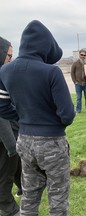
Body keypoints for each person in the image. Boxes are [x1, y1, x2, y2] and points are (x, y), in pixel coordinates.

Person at [0, 20, 75, 215]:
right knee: (58, 199)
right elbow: (67, 115)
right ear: (45, 46)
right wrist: (50, 123)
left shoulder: (5, 70)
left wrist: (24, 116)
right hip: (52, 144)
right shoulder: (52, 72)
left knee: (30, 195)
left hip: (24, 142)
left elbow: (1, 106)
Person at [0, 36, 22, 216]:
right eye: (8, 56)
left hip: (14, 129)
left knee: (18, 164)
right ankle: (8, 207)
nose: (11, 59)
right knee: (5, 171)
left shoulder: (3, 72)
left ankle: (24, 187)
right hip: (4, 136)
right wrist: (10, 145)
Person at [71, 49, 86, 113]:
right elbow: (72, 73)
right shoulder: (75, 63)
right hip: (78, 83)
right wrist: (75, 82)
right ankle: (78, 110)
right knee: (78, 98)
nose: (83, 56)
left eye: (84, 55)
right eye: (81, 54)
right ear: (79, 55)